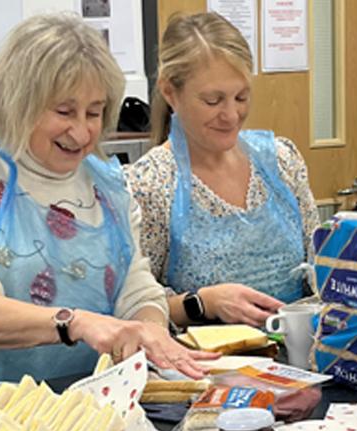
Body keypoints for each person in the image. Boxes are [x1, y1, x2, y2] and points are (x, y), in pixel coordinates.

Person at [0, 13, 214, 382]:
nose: (82, 132)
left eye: (95, 113)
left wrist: (149, 327)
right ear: (19, 102)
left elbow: (137, 289)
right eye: (65, 112)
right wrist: (73, 322)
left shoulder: (108, 186)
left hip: (83, 402)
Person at [127, 12, 320, 329]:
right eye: (213, 100)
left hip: (294, 361)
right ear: (170, 92)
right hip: (203, 370)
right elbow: (131, 309)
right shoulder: (150, 183)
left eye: (241, 97)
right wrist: (204, 302)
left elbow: (319, 265)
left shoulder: (282, 162)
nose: (231, 115)